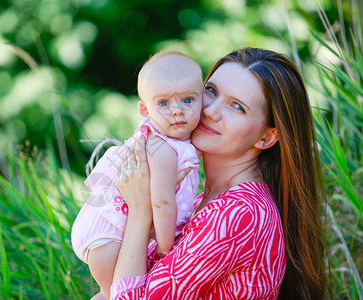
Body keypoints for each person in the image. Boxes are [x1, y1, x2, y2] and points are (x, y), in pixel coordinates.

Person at [113, 47, 327, 299]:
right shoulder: (199, 202)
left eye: (237, 107)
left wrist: (139, 213)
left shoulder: (239, 214)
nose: (209, 111)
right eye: (211, 91)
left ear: (267, 137)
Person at [71, 52, 204, 299]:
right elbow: (162, 202)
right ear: (145, 109)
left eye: (188, 100)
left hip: (112, 231)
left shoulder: (176, 142)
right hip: (107, 233)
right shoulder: (162, 148)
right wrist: (166, 249)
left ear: (202, 100)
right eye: (163, 103)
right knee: (119, 293)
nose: (177, 111)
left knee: (108, 294)